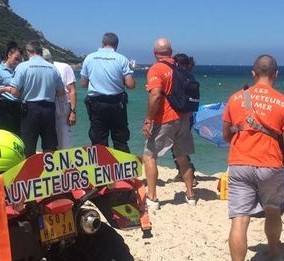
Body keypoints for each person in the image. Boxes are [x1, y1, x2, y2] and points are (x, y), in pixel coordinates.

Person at [222, 55, 284, 261]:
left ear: (253, 73)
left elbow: (226, 134)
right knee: (273, 211)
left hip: (239, 163)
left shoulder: (236, 98)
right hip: (270, 166)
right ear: (276, 74)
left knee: (240, 219)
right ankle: (273, 249)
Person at [142, 38, 196, 210]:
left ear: (154, 53)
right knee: (182, 157)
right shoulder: (181, 68)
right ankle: (190, 195)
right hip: (183, 118)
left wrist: (149, 119)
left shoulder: (156, 69)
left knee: (150, 155)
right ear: (171, 52)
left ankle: (152, 197)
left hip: (165, 118)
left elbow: (156, 95)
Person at [80, 32, 135, 153]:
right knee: (120, 140)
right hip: (117, 104)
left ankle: (101, 168)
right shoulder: (121, 59)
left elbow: (83, 84)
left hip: (96, 104)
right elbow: (131, 85)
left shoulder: (89, 58)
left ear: (103, 43)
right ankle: (122, 168)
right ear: (117, 45)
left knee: (98, 141)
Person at [9, 41, 65, 156]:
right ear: (40, 51)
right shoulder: (53, 68)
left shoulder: (22, 66)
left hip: (30, 108)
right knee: (50, 146)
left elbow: (14, 92)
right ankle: (50, 170)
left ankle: (30, 172)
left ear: (29, 52)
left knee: (28, 145)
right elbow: (61, 92)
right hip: (49, 109)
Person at [168, 53, 197, 185]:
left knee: (176, 146)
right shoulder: (190, 78)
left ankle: (187, 171)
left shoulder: (179, 78)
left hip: (180, 116)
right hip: (188, 116)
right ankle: (183, 171)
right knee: (179, 146)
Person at [43, 48, 77, 149]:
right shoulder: (39, 69)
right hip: (46, 109)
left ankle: (67, 163)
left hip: (62, 109)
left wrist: (73, 112)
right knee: (49, 142)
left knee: (65, 141)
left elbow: (72, 91)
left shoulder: (64, 68)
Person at [0, 41, 23, 136]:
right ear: (9, 54)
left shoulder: (20, 70)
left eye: (20, 60)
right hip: (4, 106)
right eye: (16, 59)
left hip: (19, 107)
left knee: (19, 135)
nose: (17, 62)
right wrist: (6, 89)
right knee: (5, 135)